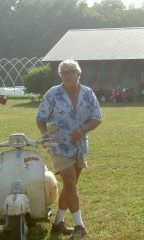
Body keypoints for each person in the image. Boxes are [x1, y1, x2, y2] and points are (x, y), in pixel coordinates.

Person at [36, 60, 102, 239]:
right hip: (59, 146)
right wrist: (44, 133)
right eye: (63, 72)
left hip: (80, 147)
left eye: (71, 71)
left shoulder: (88, 93)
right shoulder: (53, 94)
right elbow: (40, 117)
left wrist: (82, 130)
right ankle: (80, 226)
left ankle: (58, 222)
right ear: (61, 76)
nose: (67, 75)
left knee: (70, 185)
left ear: (78, 74)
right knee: (71, 182)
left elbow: (97, 117)